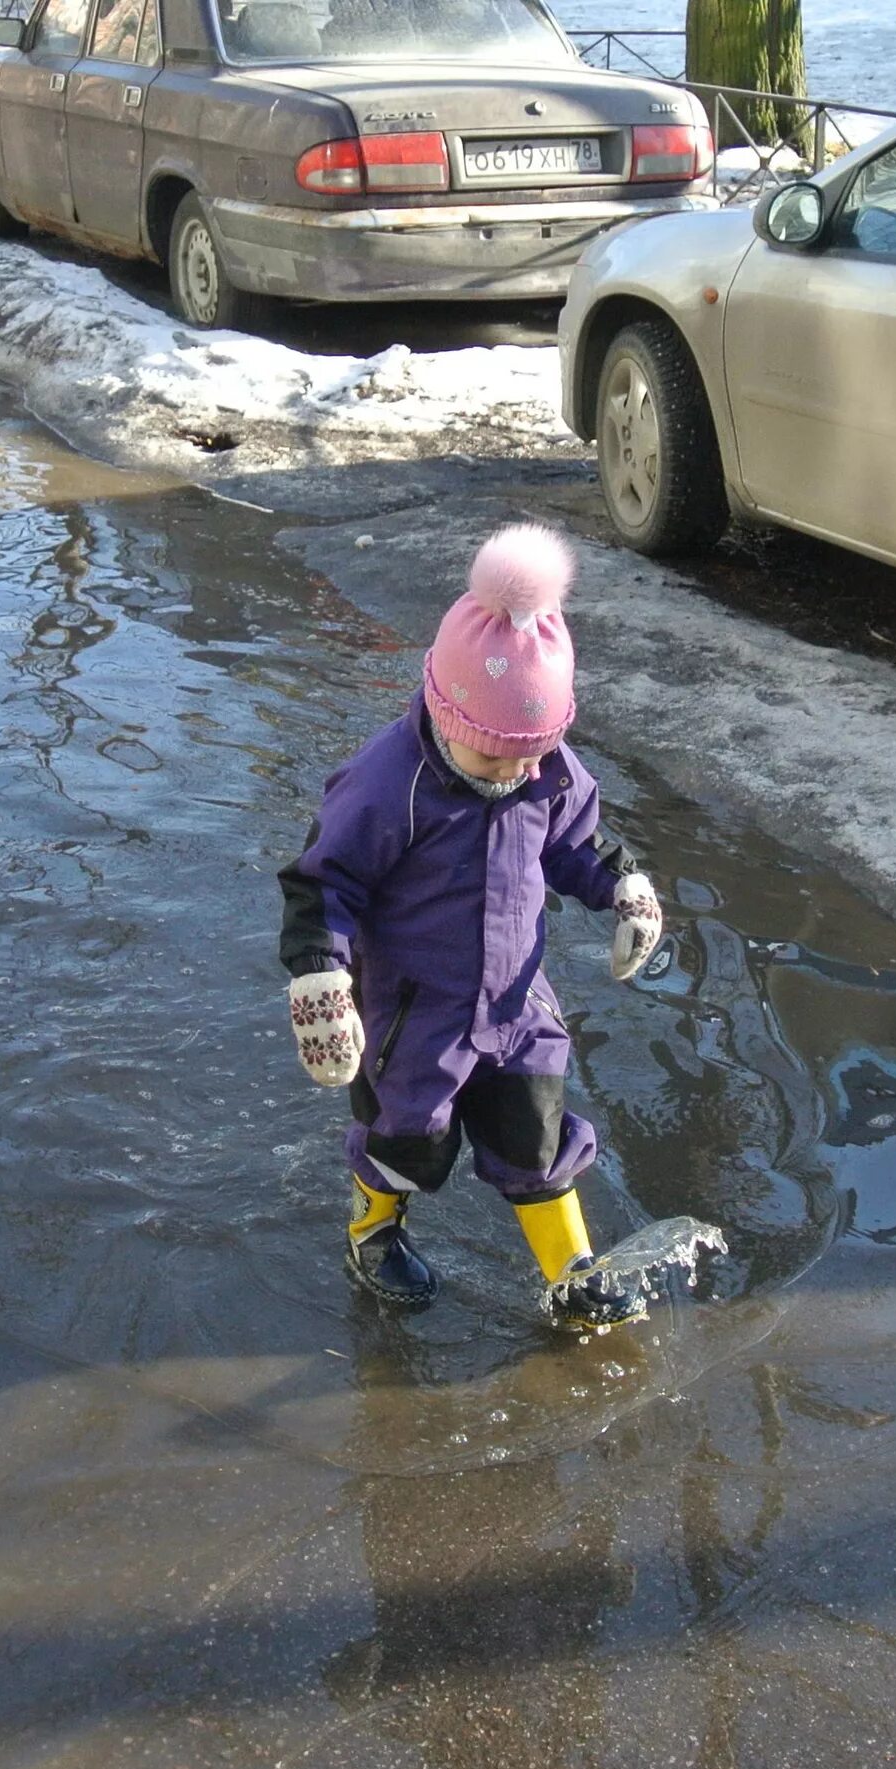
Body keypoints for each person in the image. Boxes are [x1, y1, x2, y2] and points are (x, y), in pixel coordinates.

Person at [278, 524, 664, 1319]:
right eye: (498, 757)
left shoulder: (544, 768)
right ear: (449, 713)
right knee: (407, 1136)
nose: (520, 771)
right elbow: (324, 881)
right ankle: (375, 1230)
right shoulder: (390, 785)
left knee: (538, 1133)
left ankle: (572, 1272)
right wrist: (322, 975)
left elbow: (578, 842)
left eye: (535, 753)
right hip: (418, 1013)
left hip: (519, 1002)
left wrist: (622, 888)